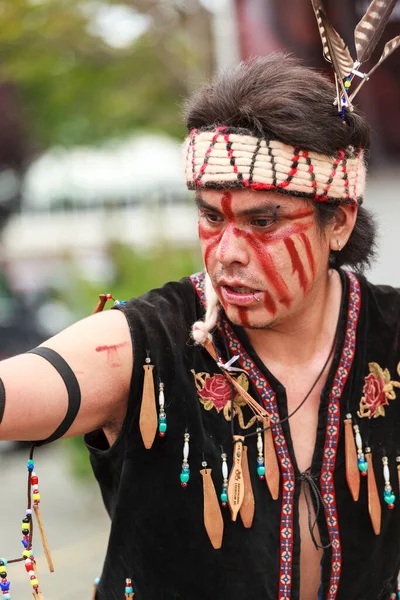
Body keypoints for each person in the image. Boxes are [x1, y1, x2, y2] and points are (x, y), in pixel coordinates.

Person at [0, 53, 399, 600]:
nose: (228, 253)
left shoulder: (390, 333)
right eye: (212, 216)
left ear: (341, 222)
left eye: (264, 221)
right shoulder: (145, 339)